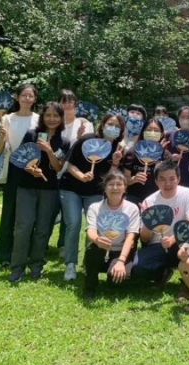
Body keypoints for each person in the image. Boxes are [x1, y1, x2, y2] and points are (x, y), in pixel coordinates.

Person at [8, 102, 70, 282]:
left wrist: (49, 151)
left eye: (56, 116)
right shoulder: (31, 134)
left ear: (61, 118)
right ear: (42, 117)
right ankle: (17, 267)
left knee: (43, 229)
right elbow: (20, 158)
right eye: (48, 115)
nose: (52, 119)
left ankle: (36, 265)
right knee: (23, 227)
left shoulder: (64, 142)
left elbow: (58, 168)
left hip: (49, 189)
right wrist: (30, 169)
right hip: (26, 187)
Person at [58, 113, 125, 281]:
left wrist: (115, 162)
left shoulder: (117, 149)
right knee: (73, 223)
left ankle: (88, 263)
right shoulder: (86, 140)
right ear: (102, 125)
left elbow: (111, 178)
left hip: (95, 192)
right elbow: (69, 164)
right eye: (110, 124)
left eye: (117, 126)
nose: (113, 128)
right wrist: (81, 176)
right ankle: (70, 264)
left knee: (93, 227)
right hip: (71, 188)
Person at [0, 84, 40, 268]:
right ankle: (4, 255)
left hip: (33, 169)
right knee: (9, 212)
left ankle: (26, 253)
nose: (27, 99)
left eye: (30, 96)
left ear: (35, 99)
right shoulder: (7, 119)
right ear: (17, 97)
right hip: (14, 170)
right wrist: (2, 137)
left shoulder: (39, 119)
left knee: (29, 215)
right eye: (24, 95)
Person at [131, 161, 189, 285]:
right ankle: (162, 273)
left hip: (181, 242)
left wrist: (172, 239)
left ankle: (188, 281)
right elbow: (145, 238)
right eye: (162, 179)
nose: (167, 183)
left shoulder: (188, 194)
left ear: (178, 179)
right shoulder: (149, 201)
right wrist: (148, 221)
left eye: (172, 179)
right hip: (157, 245)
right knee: (136, 267)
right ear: (156, 181)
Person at [82, 170, 141, 301]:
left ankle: (117, 273)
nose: (115, 188)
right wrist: (97, 240)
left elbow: (131, 237)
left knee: (115, 284)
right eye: (111, 184)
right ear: (105, 188)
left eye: (119, 184)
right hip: (100, 247)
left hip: (122, 250)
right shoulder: (95, 207)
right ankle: (89, 288)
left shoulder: (132, 208)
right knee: (92, 252)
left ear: (125, 188)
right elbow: (90, 231)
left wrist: (121, 261)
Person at [52, 89, 96, 259]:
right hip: (53, 170)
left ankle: (64, 244)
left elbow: (87, 148)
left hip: (73, 173)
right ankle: (41, 243)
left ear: (76, 104)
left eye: (70, 101)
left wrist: (79, 138)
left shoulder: (84, 124)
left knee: (69, 214)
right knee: (50, 211)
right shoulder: (55, 123)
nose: (67, 104)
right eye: (63, 101)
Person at [122, 117, 172, 206]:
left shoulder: (166, 155)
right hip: (133, 197)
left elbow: (164, 180)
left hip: (156, 198)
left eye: (156, 130)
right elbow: (125, 180)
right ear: (143, 132)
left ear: (161, 134)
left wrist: (158, 154)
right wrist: (133, 179)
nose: (152, 132)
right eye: (149, 130)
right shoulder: (132, 152)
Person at [166, 105, 189, 191]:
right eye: (183, 117)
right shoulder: (169, 135)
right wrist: (170, 157)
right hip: (172, 176)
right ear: (178, 118)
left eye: (188, 117)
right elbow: (163, 152)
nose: (185, 120)